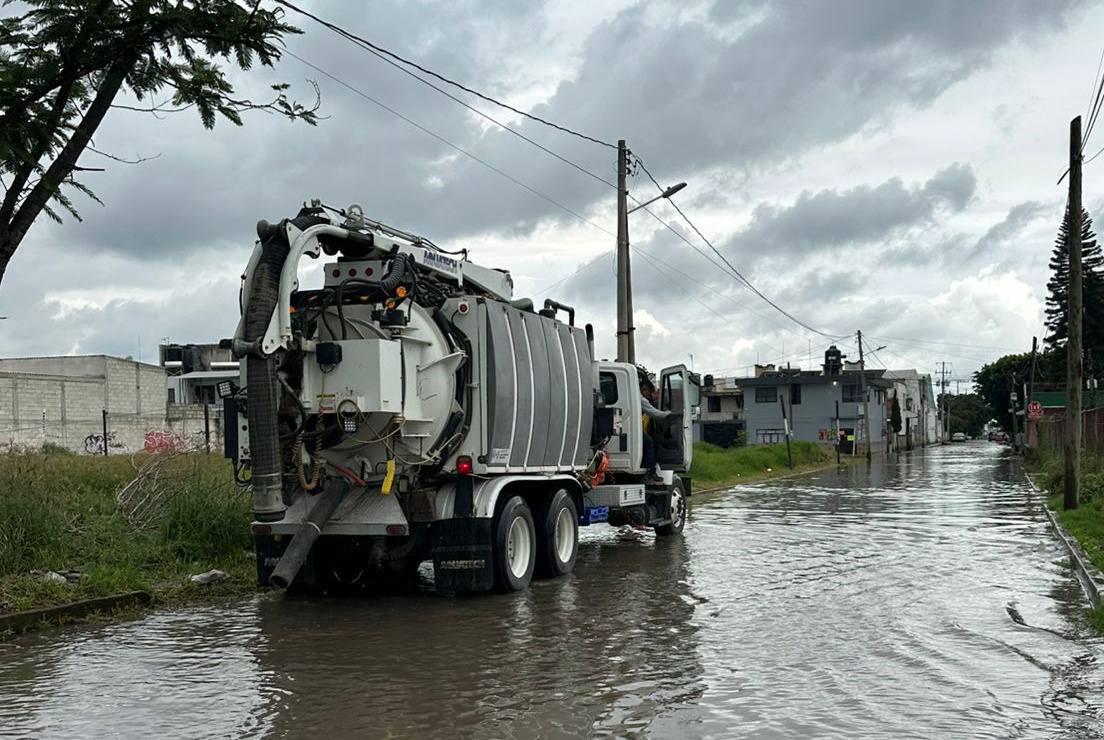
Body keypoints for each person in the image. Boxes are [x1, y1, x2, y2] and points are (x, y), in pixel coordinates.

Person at [640, 380, 670, 482]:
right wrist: (669, 414)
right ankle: (650, 471)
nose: (649, 394)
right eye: (648, 391)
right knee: (649, 442)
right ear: (643, 389)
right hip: (632, 432)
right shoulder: (641, 399)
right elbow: (655, 414)